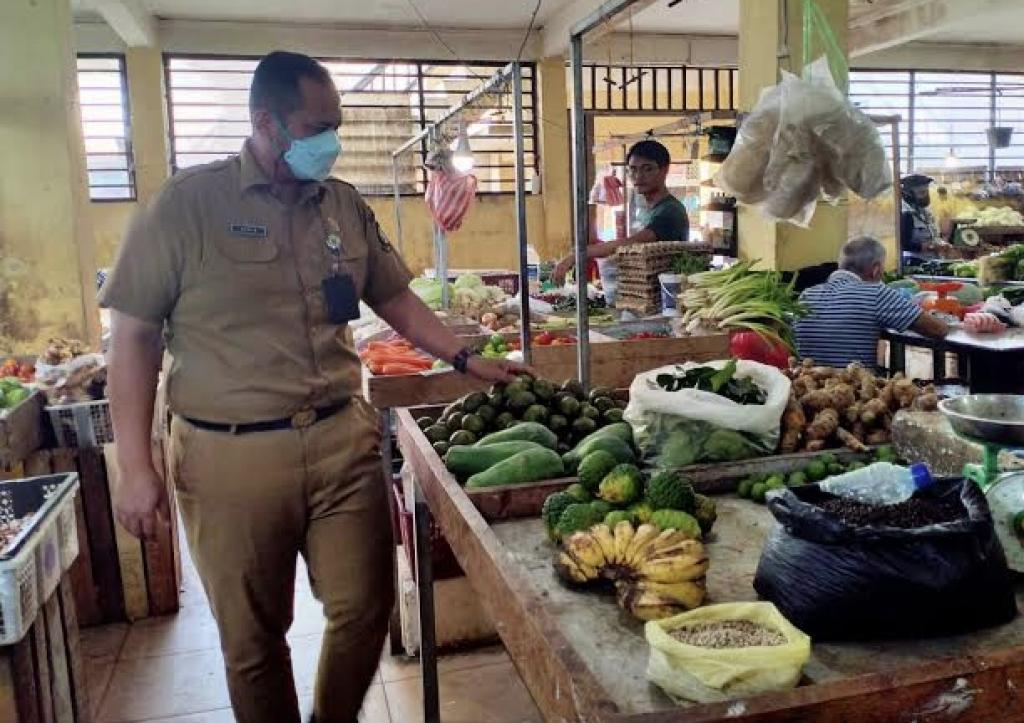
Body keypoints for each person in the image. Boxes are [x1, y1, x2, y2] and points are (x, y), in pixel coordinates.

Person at [100, 51, 526, 723]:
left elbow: (393, 295)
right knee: (252, 639)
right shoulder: (187, 206)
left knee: (366, 606)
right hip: (228, 458)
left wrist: (465, 357)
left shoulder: (343, 205)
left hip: (339, 439)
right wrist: (134, 464)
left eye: (336, 124)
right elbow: (131, 335)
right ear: (267, 122)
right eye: (317, 125)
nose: (331, 140)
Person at [795, 236, 949, 368]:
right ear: (875, 269)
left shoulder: (806, 295)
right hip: (854, 393)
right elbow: (938, 330)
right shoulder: (876, 294)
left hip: (808, 389)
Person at [553, 139, 689, 285]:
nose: (638, 176)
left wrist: (577, 255)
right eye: (633, 169)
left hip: (668, 293)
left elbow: (630, 243)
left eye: (647, 168)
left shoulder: (670, 211)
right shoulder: (646, 209)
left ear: (664, 170)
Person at [900, 174, 943, 266]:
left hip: (931, 260)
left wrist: (941, 244)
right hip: (913, 262)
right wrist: (922, 247)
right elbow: (902, 244)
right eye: (922, 193)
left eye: (926, 192)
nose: (926, 196)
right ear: (909, 195)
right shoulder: (906, 214)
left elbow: (933, 234)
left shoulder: (925, 212)